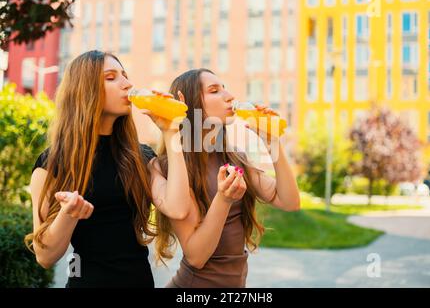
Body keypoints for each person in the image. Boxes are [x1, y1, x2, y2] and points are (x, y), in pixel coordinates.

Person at [24, 50, 191, 288]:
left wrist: (171, 132)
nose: (128, 84)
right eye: (111, 77)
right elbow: (45, 257)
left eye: (125, 75)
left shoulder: (140, 156)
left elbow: (178, 207)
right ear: (85, 90)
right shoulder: (51, 164)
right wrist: (68, 214)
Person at [154, 68, 301, 288]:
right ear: (190, 104)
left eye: (224, 88)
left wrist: (272, 142)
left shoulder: (235, 158)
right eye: (214, 90)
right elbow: (196, 257)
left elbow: (289, 202)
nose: (230, 96)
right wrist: (223, 200)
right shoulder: (172, 168)